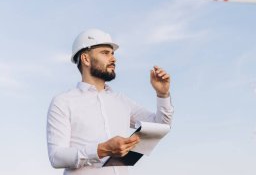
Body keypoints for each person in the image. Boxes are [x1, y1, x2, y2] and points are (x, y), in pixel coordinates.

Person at [46, 29, 174, 175]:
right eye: (105, 53)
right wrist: (101, 149)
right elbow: (56, 157)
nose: (113, 59)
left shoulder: (122, 101)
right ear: (85, 59)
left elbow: (160, 127)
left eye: (112, 53)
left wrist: (162, 94)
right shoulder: (63, 102)